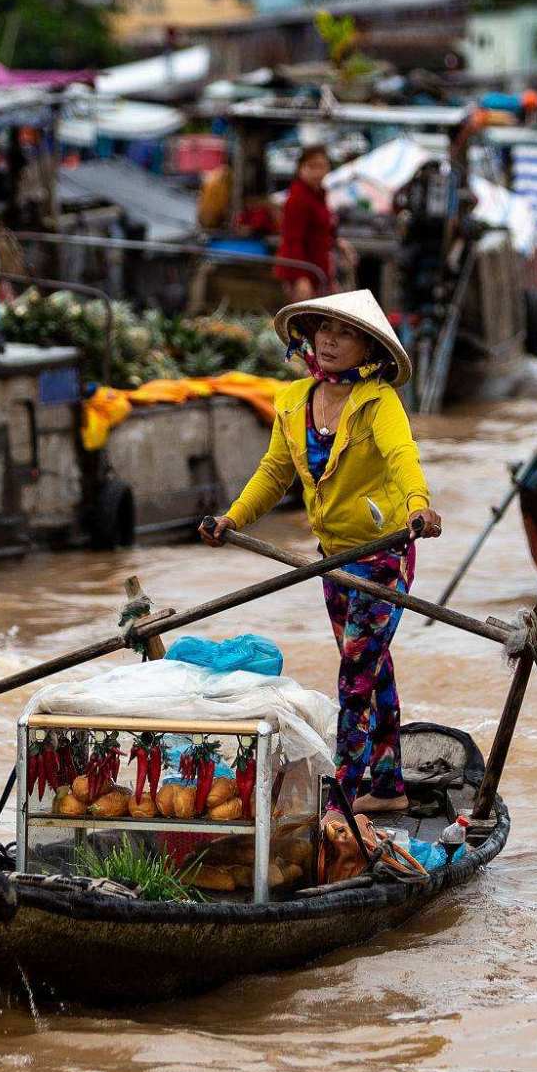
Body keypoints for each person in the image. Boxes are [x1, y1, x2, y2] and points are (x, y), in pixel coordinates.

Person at [200, 290, 441, 814]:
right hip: (332, 558)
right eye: (322, 329)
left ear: (368, 347)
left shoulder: (378, 402)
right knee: (373, 669)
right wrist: (231, 519)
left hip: (382, 555)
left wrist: (419, 506)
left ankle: (344, 797)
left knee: (356, 673)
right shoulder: (292, 401)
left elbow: (402, 459)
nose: (330, 340)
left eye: (345, 332)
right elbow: (273, 473)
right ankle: (390, 787)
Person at [275, 145, 354, 303]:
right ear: (300, 168)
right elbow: (292, 240)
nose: (317, 172)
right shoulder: (297, 198)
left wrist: (337, 242)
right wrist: (300, 277)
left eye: (322, 166)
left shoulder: (320, 194)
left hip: (320, 269)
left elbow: (324, 227)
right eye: (312, 166)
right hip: (303, 272)